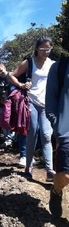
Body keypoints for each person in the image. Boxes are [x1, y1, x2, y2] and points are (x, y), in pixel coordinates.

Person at [9, 36, 55, 182]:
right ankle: (28, 167)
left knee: (47, 136)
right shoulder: (29, 62)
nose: (46, 52)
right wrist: (21, 85)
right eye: (43, 49)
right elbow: (11, 75)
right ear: (37, 48)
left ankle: (49, 170)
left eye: (48, 49)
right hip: (31, 102)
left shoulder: (53, 65)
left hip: (47, 104)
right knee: (32, 133)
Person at [45, 56, 69, 217]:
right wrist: (58, 125)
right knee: (65, 175)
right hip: (67, 130)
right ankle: (56, 190)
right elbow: (51, 101)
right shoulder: (59, 68)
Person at [0, 61, 15, 146]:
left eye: (1, 70)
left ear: (4, 67)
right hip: (2, 104)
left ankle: (12, 138)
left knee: (12, 121)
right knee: (4, 121)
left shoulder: (12, 76)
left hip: (12, 103)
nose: (0, 73)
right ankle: (8, 138)